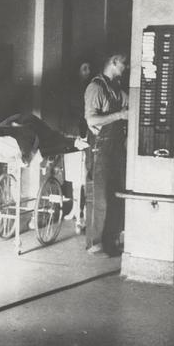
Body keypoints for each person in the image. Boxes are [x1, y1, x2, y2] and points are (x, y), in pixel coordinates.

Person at [84, 52, 129, 257]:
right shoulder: (96, 87)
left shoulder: (116, 88)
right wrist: (120, 115)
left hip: (116, 146)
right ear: (113, 62)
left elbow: (130, 103)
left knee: (116, 193)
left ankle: (111, 240)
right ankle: (95, 242)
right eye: (124, 64)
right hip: (100, 147)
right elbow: (92, 120)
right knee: (100, 197)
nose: (125, 68)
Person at [62, 60, 93, 229]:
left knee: (85, 175)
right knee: (74, 177)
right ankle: (75, 208)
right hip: (71, 134)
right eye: (84, 68)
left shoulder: (92, 88)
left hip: (85, 135)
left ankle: (87, 210)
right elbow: (65, 112)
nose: (87, 71)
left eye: (89, 68)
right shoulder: (69, 89)